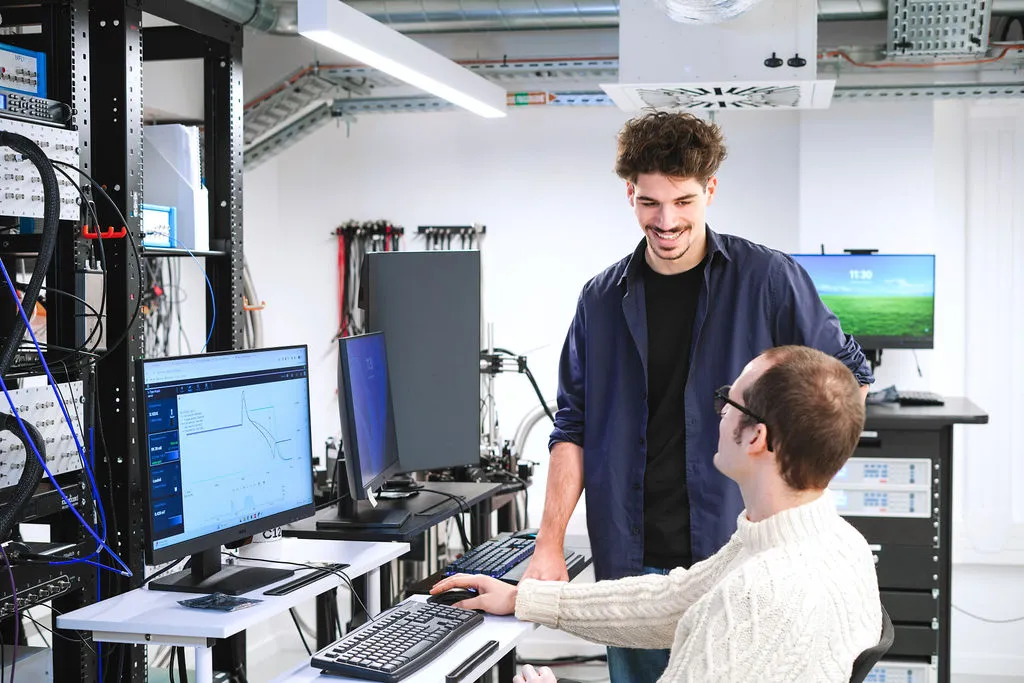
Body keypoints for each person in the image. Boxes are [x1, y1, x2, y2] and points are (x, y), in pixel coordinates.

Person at [521, 111, 873, 682]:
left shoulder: (767, 279)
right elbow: (573, 427)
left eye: (683, 201)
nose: (666, 221)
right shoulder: (600, 300)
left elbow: (846, 381)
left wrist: (794, 493)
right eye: (650, 203)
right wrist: (549, 544)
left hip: (734, 545)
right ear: (629, 194)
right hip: (629, 554)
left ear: (709, 189)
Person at [432, 346, 882, 683]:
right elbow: (674, 600)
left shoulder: (755, 597)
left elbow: (724, 607)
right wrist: (526, 600)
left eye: (731, 399)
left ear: (757, 437)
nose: (722, 410)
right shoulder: (837, 543)